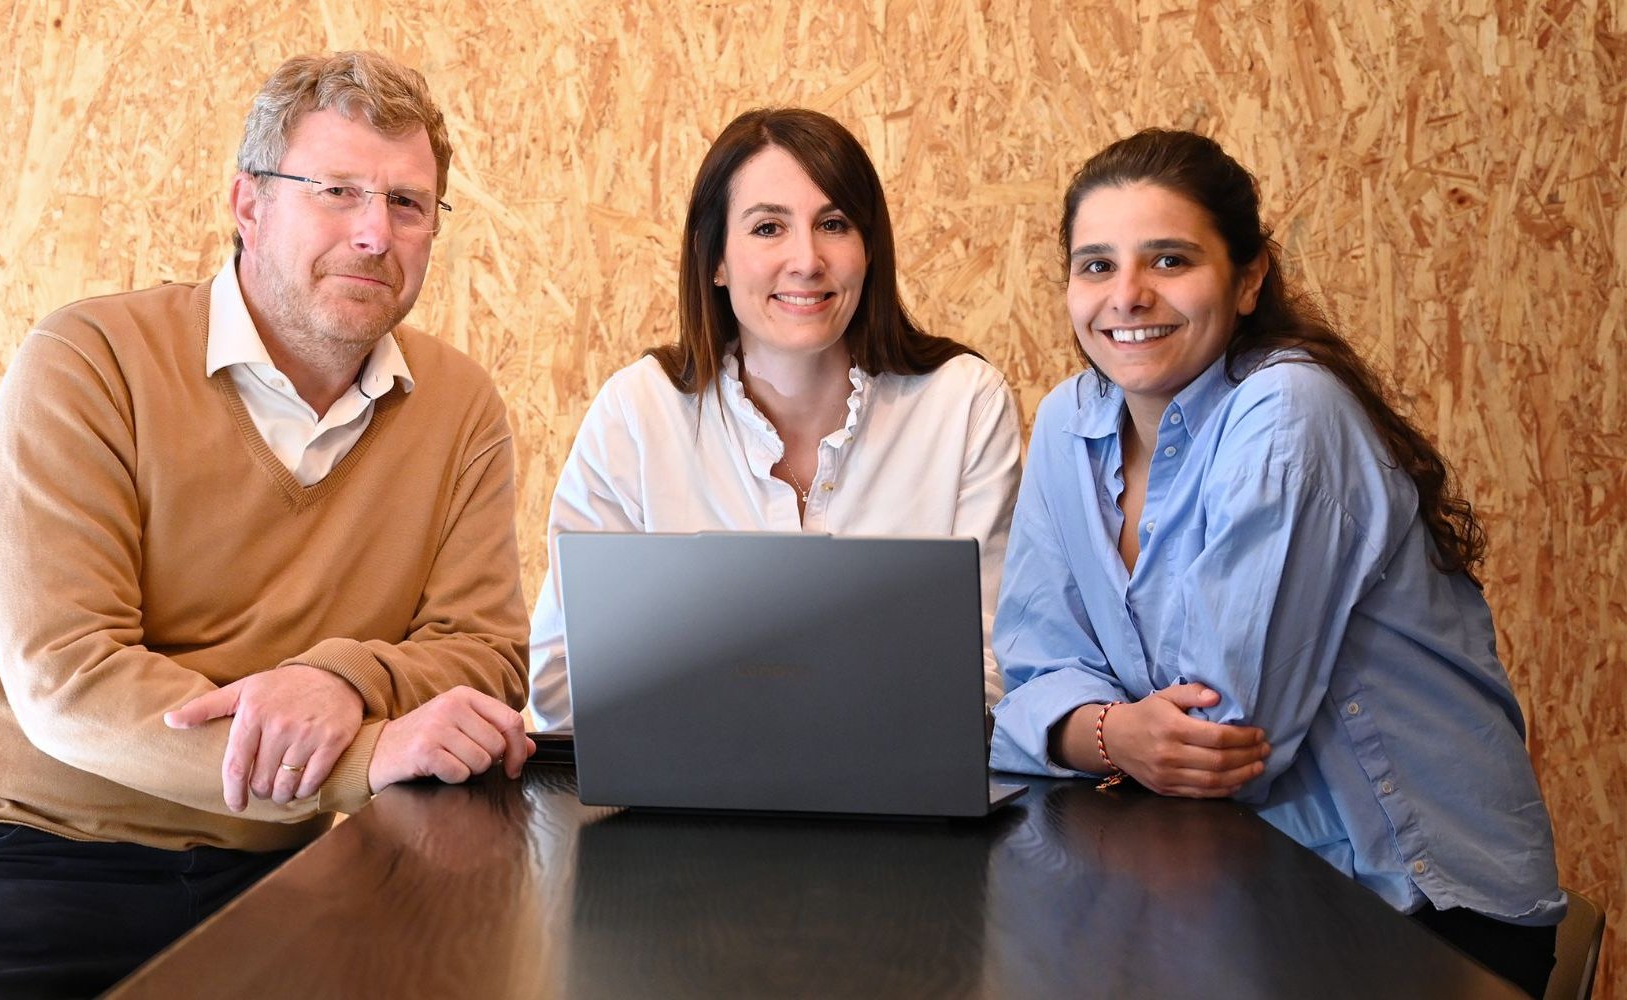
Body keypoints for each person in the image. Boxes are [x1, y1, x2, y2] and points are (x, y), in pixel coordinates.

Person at [0, 52, 535, 998]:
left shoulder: (460, 408)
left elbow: (484, 655)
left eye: (408, 204)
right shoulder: (89, 361)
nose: (375, 233)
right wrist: (366, 750)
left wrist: (335, 678)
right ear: (248, 204)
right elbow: (69, 681)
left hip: (259, 870)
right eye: (336, 191)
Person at [988, 128, 1564, 995]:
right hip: (1229, 886)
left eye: (1170, 260)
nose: (1128, 296)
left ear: (1249, 277)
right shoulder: (1069, 422)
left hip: (1418, 909)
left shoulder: (1288, 410)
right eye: (1097, 265)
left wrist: (1101, 731)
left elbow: (1224, 738)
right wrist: (1114, 733)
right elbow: (1031, 671)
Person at [527, 108, 1022, 730]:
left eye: (834, 224)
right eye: (768, 228)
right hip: (684, 805)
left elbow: (991, 672)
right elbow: (560, 685)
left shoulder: (964, 404)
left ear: (869, 250)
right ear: (717, 261)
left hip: (899, 805)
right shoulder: (636, 411)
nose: (807, 259)